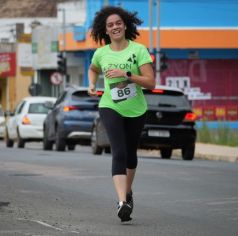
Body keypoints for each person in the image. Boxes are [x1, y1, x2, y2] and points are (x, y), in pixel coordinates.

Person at [88, 6, 155, 222]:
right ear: (105, 31)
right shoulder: (101, 53)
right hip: (111, 105)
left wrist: (126, 74)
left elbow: (151, 82)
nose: (115, 27)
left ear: (125, 25)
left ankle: (128, 192)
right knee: (118, 152)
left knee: (130, 154)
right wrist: (91, 84)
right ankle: (121, 203)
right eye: (110, 25)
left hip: (136, 109)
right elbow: (93, 68)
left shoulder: (138, 50)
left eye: (118, 23)